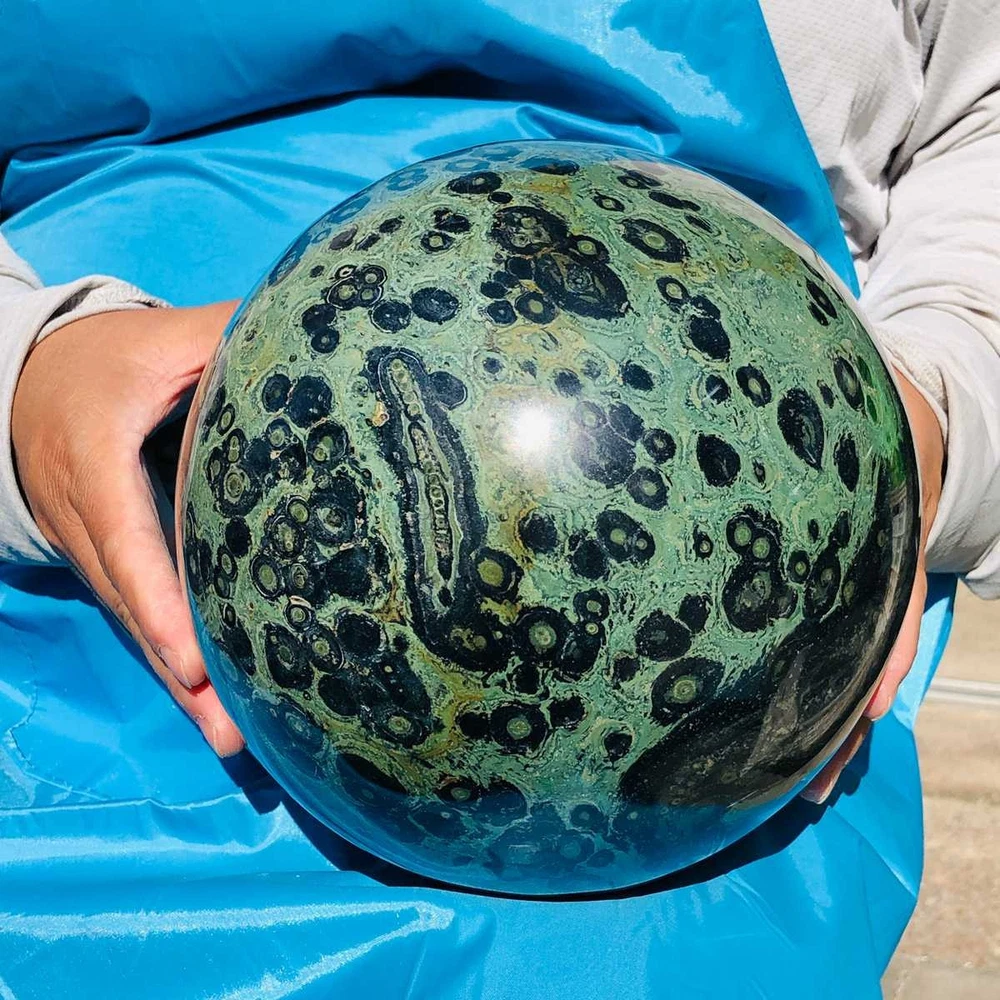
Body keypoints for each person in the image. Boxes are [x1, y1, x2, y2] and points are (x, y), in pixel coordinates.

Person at [1, 0, 997, 802]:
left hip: (749, 687)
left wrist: (936, 402)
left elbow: (976, 128)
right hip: (80, 665)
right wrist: (25, 369)